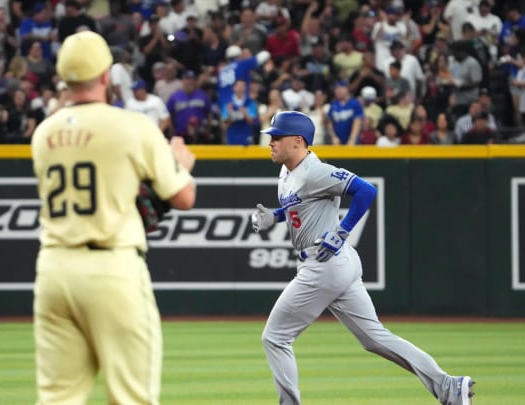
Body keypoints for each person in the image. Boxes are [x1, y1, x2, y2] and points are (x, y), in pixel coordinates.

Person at [250, 110, 475, 405]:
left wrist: (342, 230)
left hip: (322, 266)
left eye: (277, 138)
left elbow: (366, 191)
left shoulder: (315, 171)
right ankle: (449, 386)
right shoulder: (287, 171)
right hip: (336, 265)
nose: (271, 142)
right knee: (375, 338)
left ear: (297, 141)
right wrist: (276, 217)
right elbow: (301, 205)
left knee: (275, 338)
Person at [30, 31, 197, 405]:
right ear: (106, 75)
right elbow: (183, 197)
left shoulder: (44, 133)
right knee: (131, 398)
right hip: (111, 267)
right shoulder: (133, 127)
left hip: (53, 270)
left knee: (57, 398)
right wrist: (180, 165)